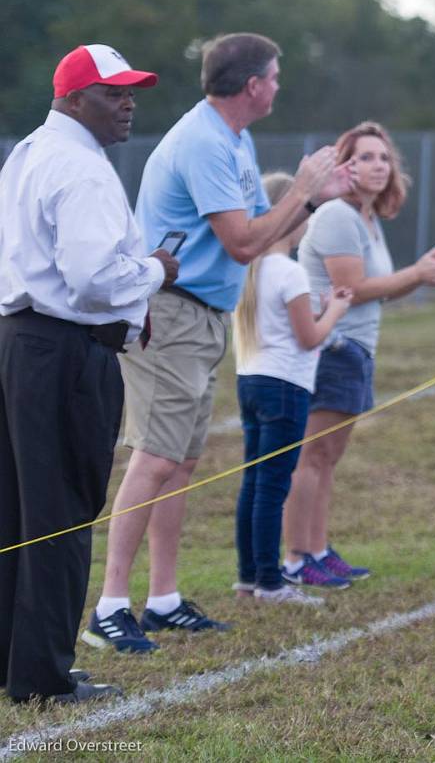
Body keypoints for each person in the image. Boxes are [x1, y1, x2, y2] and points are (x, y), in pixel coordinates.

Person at [91, 33, 349, 654]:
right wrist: (303, 187)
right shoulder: (205, 140)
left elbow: (265, 234)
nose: (279, 86)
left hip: (204, 313)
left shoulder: (234, 138)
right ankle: (108, 607)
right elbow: (241, 242)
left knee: (179, 460)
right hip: (171, 311)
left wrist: (312, 196)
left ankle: (163, 599)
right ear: (253, 84)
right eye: (275, 76)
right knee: (155, 457)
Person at [0, 45, 179, 704]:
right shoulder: (79, 168)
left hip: (20, 344)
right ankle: (43, 675)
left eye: (132, 92)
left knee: (16, 511)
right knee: (60, 514)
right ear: (74, 98)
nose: (128, 103)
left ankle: (15, 662)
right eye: (114, 93)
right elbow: (94, 279)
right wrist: (157, 272)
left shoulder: (29, 152)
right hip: (64, 354)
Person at [283, 122, 435, 586]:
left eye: (384, 157)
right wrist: (419, 273)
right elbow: (357, 289)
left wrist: (418, 276)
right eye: (365, 156)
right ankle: (296, 557)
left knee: (328, 456)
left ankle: (319, 550)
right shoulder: (338, 215)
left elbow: (377, 293)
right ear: (346, 164)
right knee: (312, 455)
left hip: (355, 349)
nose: (378, 165)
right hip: (332, 346)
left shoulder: (365, 218)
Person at [231, 172, 353, 606]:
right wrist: (334, 310)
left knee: (253, 482)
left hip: (251, 380)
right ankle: (269, 582)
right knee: (272, 486)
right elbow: (310, 338)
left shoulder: (249, 269)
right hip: (285, 387)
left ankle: (248, 578)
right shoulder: (289, 271)